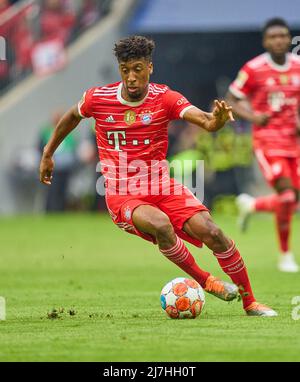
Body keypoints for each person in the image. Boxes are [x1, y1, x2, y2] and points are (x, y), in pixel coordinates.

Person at [39, 35, 277, 316]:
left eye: (138, 69)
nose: (131, 77)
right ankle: (207, 281)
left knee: (214, 233)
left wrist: (217, 121)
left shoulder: (165, 98)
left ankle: (250, 303)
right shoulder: (98, 98)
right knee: (161, 224)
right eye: (125, 70)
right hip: (122, 192)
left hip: (161, 185)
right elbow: (71, 117)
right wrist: (48, 152)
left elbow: (204, 120)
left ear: (150, 67)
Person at [226, 18, 300, 273]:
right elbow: (231, 99)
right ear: (265, 41)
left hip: (295, 142)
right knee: (288, 196)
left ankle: (252, 205)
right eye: (273, 37)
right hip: (268, 142)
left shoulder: (298, 66)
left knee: (293, 199)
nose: (279, 40)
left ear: (289, 38)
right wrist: (254, 117)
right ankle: (285, 256)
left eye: (283, 35)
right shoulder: (254, 68)